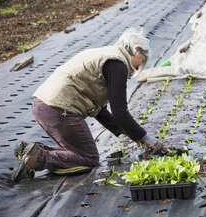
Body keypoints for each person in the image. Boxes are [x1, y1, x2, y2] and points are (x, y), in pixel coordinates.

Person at [12, 28, 164, 182]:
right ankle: (38, 158)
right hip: (60, 108)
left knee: (73, 151)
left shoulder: (106, 55)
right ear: (137, 51)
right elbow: (120, 112)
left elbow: (99, 110)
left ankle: (30, 150)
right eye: (142, 60)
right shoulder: (118, 64)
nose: (139, 66)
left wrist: (128, 133)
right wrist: (144, 137)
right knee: (88, 157)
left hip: (42, 104)